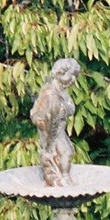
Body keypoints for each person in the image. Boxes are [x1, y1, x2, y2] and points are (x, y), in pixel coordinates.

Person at [30, 58, 80, 187]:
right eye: (71, 75)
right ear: (60, 73)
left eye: (75, 76)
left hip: (59, 128)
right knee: (66, 152)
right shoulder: (50, 93)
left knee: (67, 152)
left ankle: (62, 176)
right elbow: (40, 115)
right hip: (53, 129)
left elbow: (70, 109)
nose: (73, 80)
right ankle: (62, 177)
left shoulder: (61, 92)